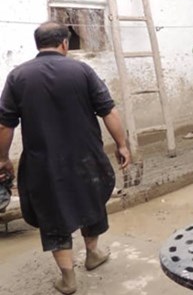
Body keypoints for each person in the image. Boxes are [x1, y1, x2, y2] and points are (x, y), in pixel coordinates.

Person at [0, 21, 131, 294]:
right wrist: (122, 145)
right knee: (90, 199)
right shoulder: (82, 70)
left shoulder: (17, 76)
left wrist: (3, 159)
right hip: (87, 158)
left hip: (43, 163)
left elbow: (4, 125)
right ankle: (93, 253)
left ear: (39, 44)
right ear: (64, 44)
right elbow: (109, 111)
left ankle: (68, 277)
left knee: (52, 211)